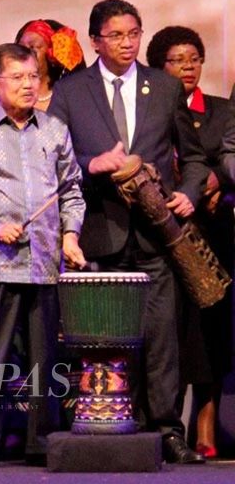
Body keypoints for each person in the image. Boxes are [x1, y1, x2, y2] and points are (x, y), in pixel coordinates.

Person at [48, 0, 209, 464]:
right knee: (106, 335)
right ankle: (109, 420)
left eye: (133, 33)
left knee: (161, 334)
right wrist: (90, 163)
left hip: (158, 233)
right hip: (100, 230)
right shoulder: (72, 91)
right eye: (115, 35)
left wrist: (190, 194)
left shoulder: (163, 86)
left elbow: (194, 156)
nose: (126, 42)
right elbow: (52, 160)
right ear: (95, 40)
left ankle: (167, 428)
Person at [0, 43, 86, 468]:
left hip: (44, 262)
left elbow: (71, 191)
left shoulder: (54, 130)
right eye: (18, 77)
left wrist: (70, 236)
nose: (29, 85)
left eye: (33, 77)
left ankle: (43, 442)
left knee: (45, 358)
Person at [147, 25, 232, 460]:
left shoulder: (221, 110)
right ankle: (166, 423)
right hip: (164, 235)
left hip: (212, 236)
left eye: (194, 59)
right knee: (170, 331)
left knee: (211, 332)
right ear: (159, 67)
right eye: (177, 61)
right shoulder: (153, 108)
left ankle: (206, 422)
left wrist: (220, 177)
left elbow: (227, 156)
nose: (187, 68)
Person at [14, 19, 86, 111]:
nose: (23, 53)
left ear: (54, 56)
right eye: (21, 47)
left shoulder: (75, 100)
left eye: (33, 47)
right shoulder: (4, 99)